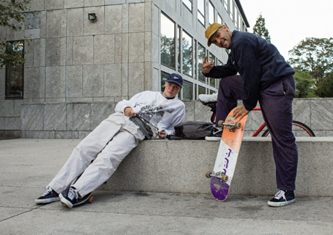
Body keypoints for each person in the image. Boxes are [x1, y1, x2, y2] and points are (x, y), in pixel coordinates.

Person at [35, 73, 185, 208]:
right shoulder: (147, 94)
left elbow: (175, 128)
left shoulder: (179, 106)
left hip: (136, 131)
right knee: (84, 149)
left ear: (179, 90)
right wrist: (126, 108)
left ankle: (78, 191)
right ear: (165, 83)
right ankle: (56, 188)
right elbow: (123, 103)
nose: (172, 89)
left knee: (108, 157)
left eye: (176, 87)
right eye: (170, 84)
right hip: (119, 119)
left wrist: (164, 133)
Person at [202, 23, 297, 207]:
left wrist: (247, 105)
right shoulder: (236, 48)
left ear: (225, 28)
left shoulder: (242, 41)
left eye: (219, 36)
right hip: (264, 85)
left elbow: (251, 74)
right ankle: (221, 126)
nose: (220, 42)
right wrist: (210, 72)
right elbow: (231, 70)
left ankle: (287, 191)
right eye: (215, 42)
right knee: (228, 84)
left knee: (282, 138)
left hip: (276, 86)